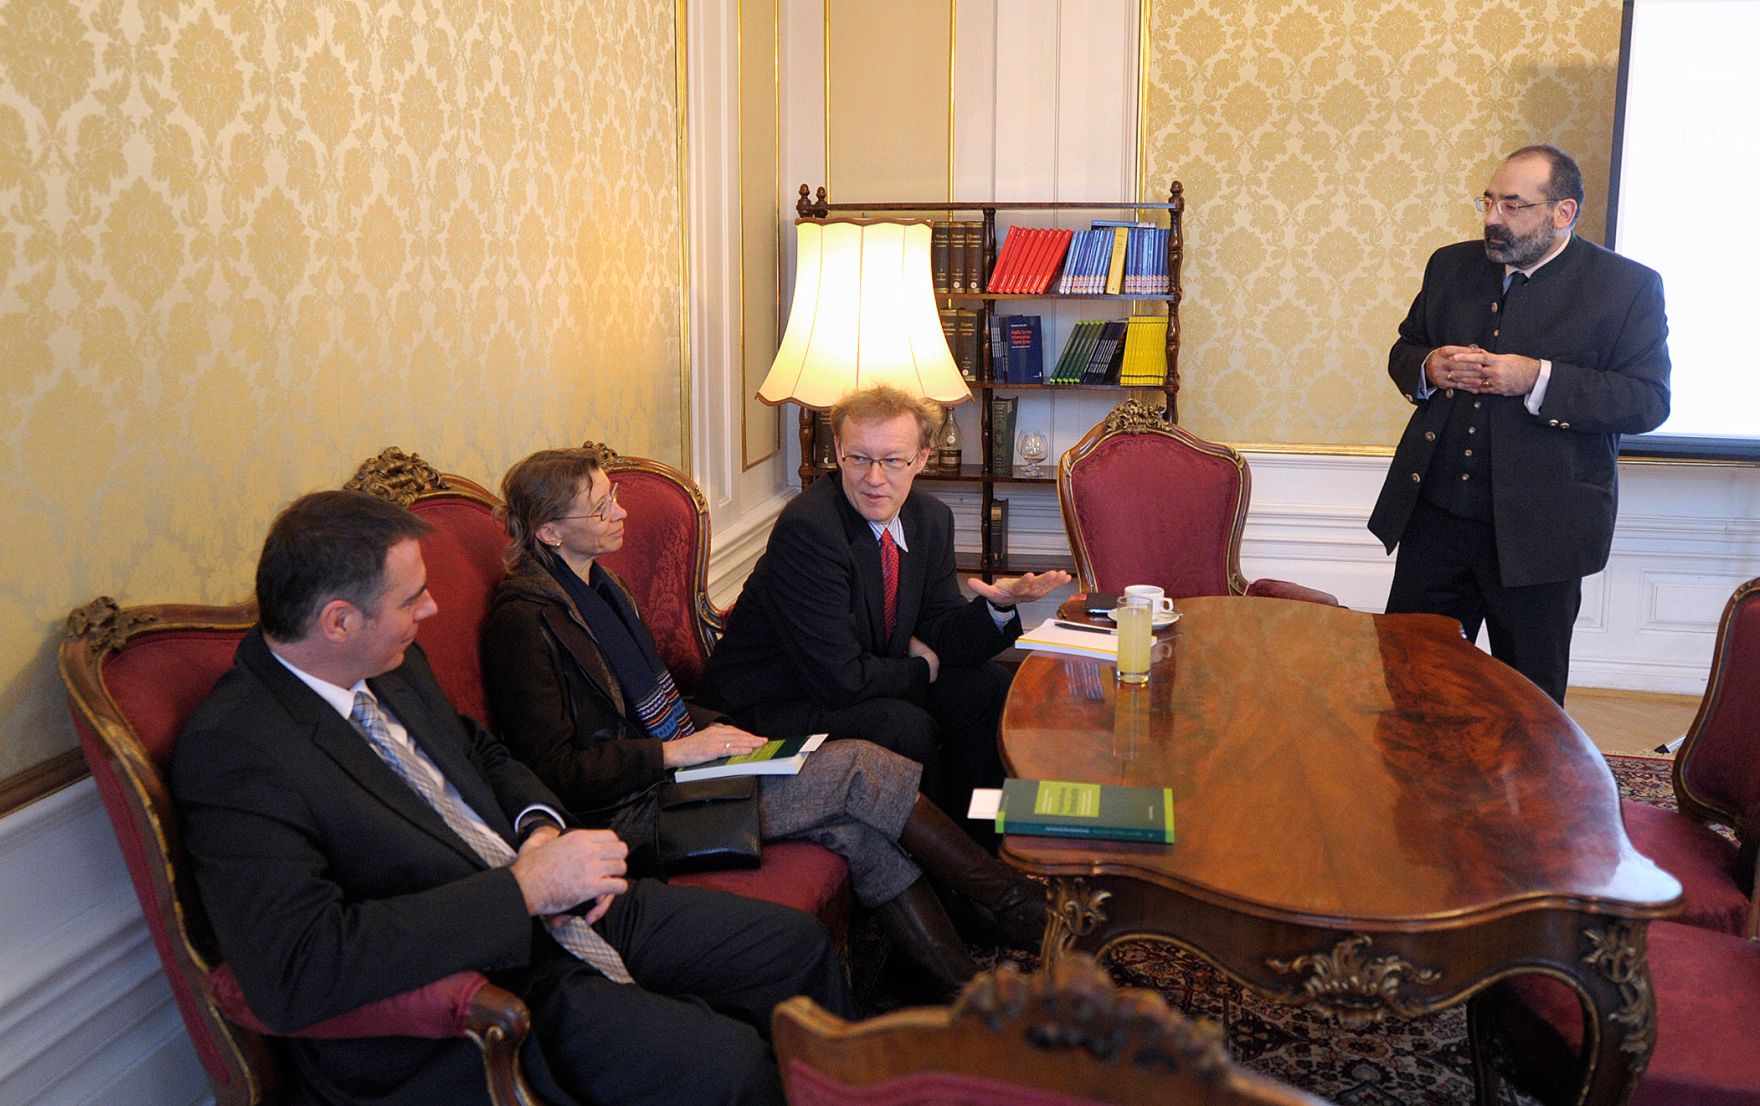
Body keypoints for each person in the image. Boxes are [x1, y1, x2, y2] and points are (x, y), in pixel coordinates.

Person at [171, 490, 852, 1106]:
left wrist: (541, 831)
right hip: (478, 989)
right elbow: (298, 967)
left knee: (790, 948)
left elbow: (485, 753)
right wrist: (522, 892)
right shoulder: (237, 751)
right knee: (726, 1068)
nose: (431, 611)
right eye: (411, 600)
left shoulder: (391, 665)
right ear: (339, 621)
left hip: (560, 901)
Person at [480, 448, 1047, 995]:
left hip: (683, 763)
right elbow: (552, 771)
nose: (620, 513)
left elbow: (657, 705)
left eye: (615, 497)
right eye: (601, 508)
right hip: (631, 807)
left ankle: (961, 990)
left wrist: (714, 733)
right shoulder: (525, 624)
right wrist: (676, 753)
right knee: (863, 769)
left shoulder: (601, 586)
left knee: (859, 836)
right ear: (550, 533)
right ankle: (1017, 903)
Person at [700, 385, 1071, 846]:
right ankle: (945, 876)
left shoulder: (930, 519)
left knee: (986, 687)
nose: (874, 478)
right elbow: (838, 679)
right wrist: (921, 668)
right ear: (837, 451)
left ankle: (986, 847)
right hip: (774, 704)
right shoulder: (810, 530)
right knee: (903, 726)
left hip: (858, 673)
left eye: (892, 461)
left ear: (922, 457)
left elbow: (940, 627)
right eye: (859, 459)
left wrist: (999, 606)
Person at [1368, 145, 1670, 705]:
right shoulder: (1450, 265)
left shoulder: (1626, 287)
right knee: (1409, 686)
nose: (1491, 219)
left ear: (1563, 213)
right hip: (1434, 521)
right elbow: (1404, 349)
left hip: (1540, 533)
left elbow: (1647, 401)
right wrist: (1429, 366)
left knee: (1528, 706)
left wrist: (1537, 378)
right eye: (1487, 201)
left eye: (1512, 205)